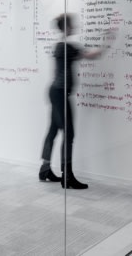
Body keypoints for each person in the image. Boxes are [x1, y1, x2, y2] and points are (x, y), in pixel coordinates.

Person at [39, 13, 113, 189]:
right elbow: (94, 55)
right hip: (60, 94)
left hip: (55, 92)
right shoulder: (67, 47)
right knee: (69, 134)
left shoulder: (59, 46)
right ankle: (67, 176)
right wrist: (107, 41)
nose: (75, 27)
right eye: (72, 24)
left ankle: (45, 169)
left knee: (53, 130)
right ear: (66, 27)